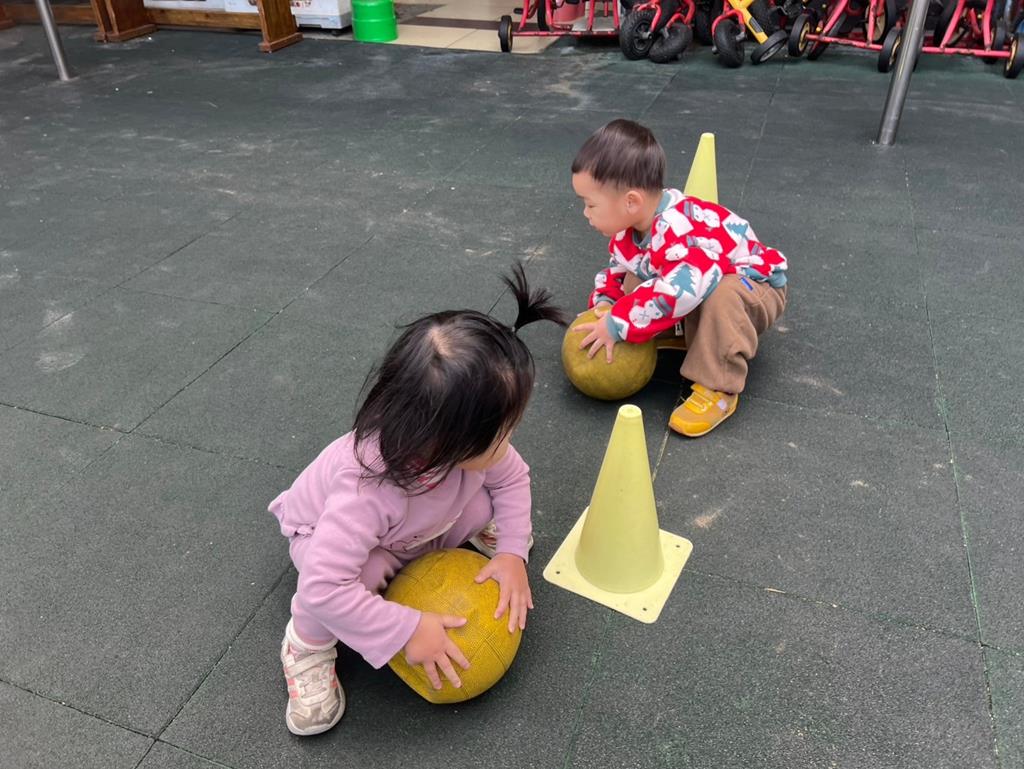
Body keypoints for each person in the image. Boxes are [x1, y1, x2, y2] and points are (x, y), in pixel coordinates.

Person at [268, 264, 566, 735]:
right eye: (504, 430)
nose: (511, 439)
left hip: (416, 521)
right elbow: (324, 587)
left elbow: (512, 480)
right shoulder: (366, 489)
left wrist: (511, 552)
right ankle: (305, 646)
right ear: (450, 440)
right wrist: (407, 629)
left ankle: (436, 542)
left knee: (483, 504)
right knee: (357, 577)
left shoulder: (455, 446)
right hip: (327, 538)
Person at [571, 119, 789, 437]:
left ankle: (719, 385)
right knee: (636, 278)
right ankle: (682, 331)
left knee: (722, 295)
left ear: (631, 201)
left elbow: (679, 291)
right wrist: (605, 304)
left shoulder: (678, 230)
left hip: (754, 286)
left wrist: (619, 323)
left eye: (591, 204)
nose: (585, 213)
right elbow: (617, 270)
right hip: (701, 280)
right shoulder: (630, 230)